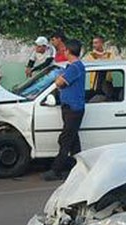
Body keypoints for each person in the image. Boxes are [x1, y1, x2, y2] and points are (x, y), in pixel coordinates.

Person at [42, 39, 86, 181]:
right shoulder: (71, 67)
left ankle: (56, 169)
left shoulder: (75, 68)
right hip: (69, 108)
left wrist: (59, 80)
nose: (63, 52)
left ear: (69, 51)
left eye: (65, 50)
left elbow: (59, 82)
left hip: (74, 109)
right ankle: (78, 169)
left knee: (65, 139)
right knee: (73, 141)